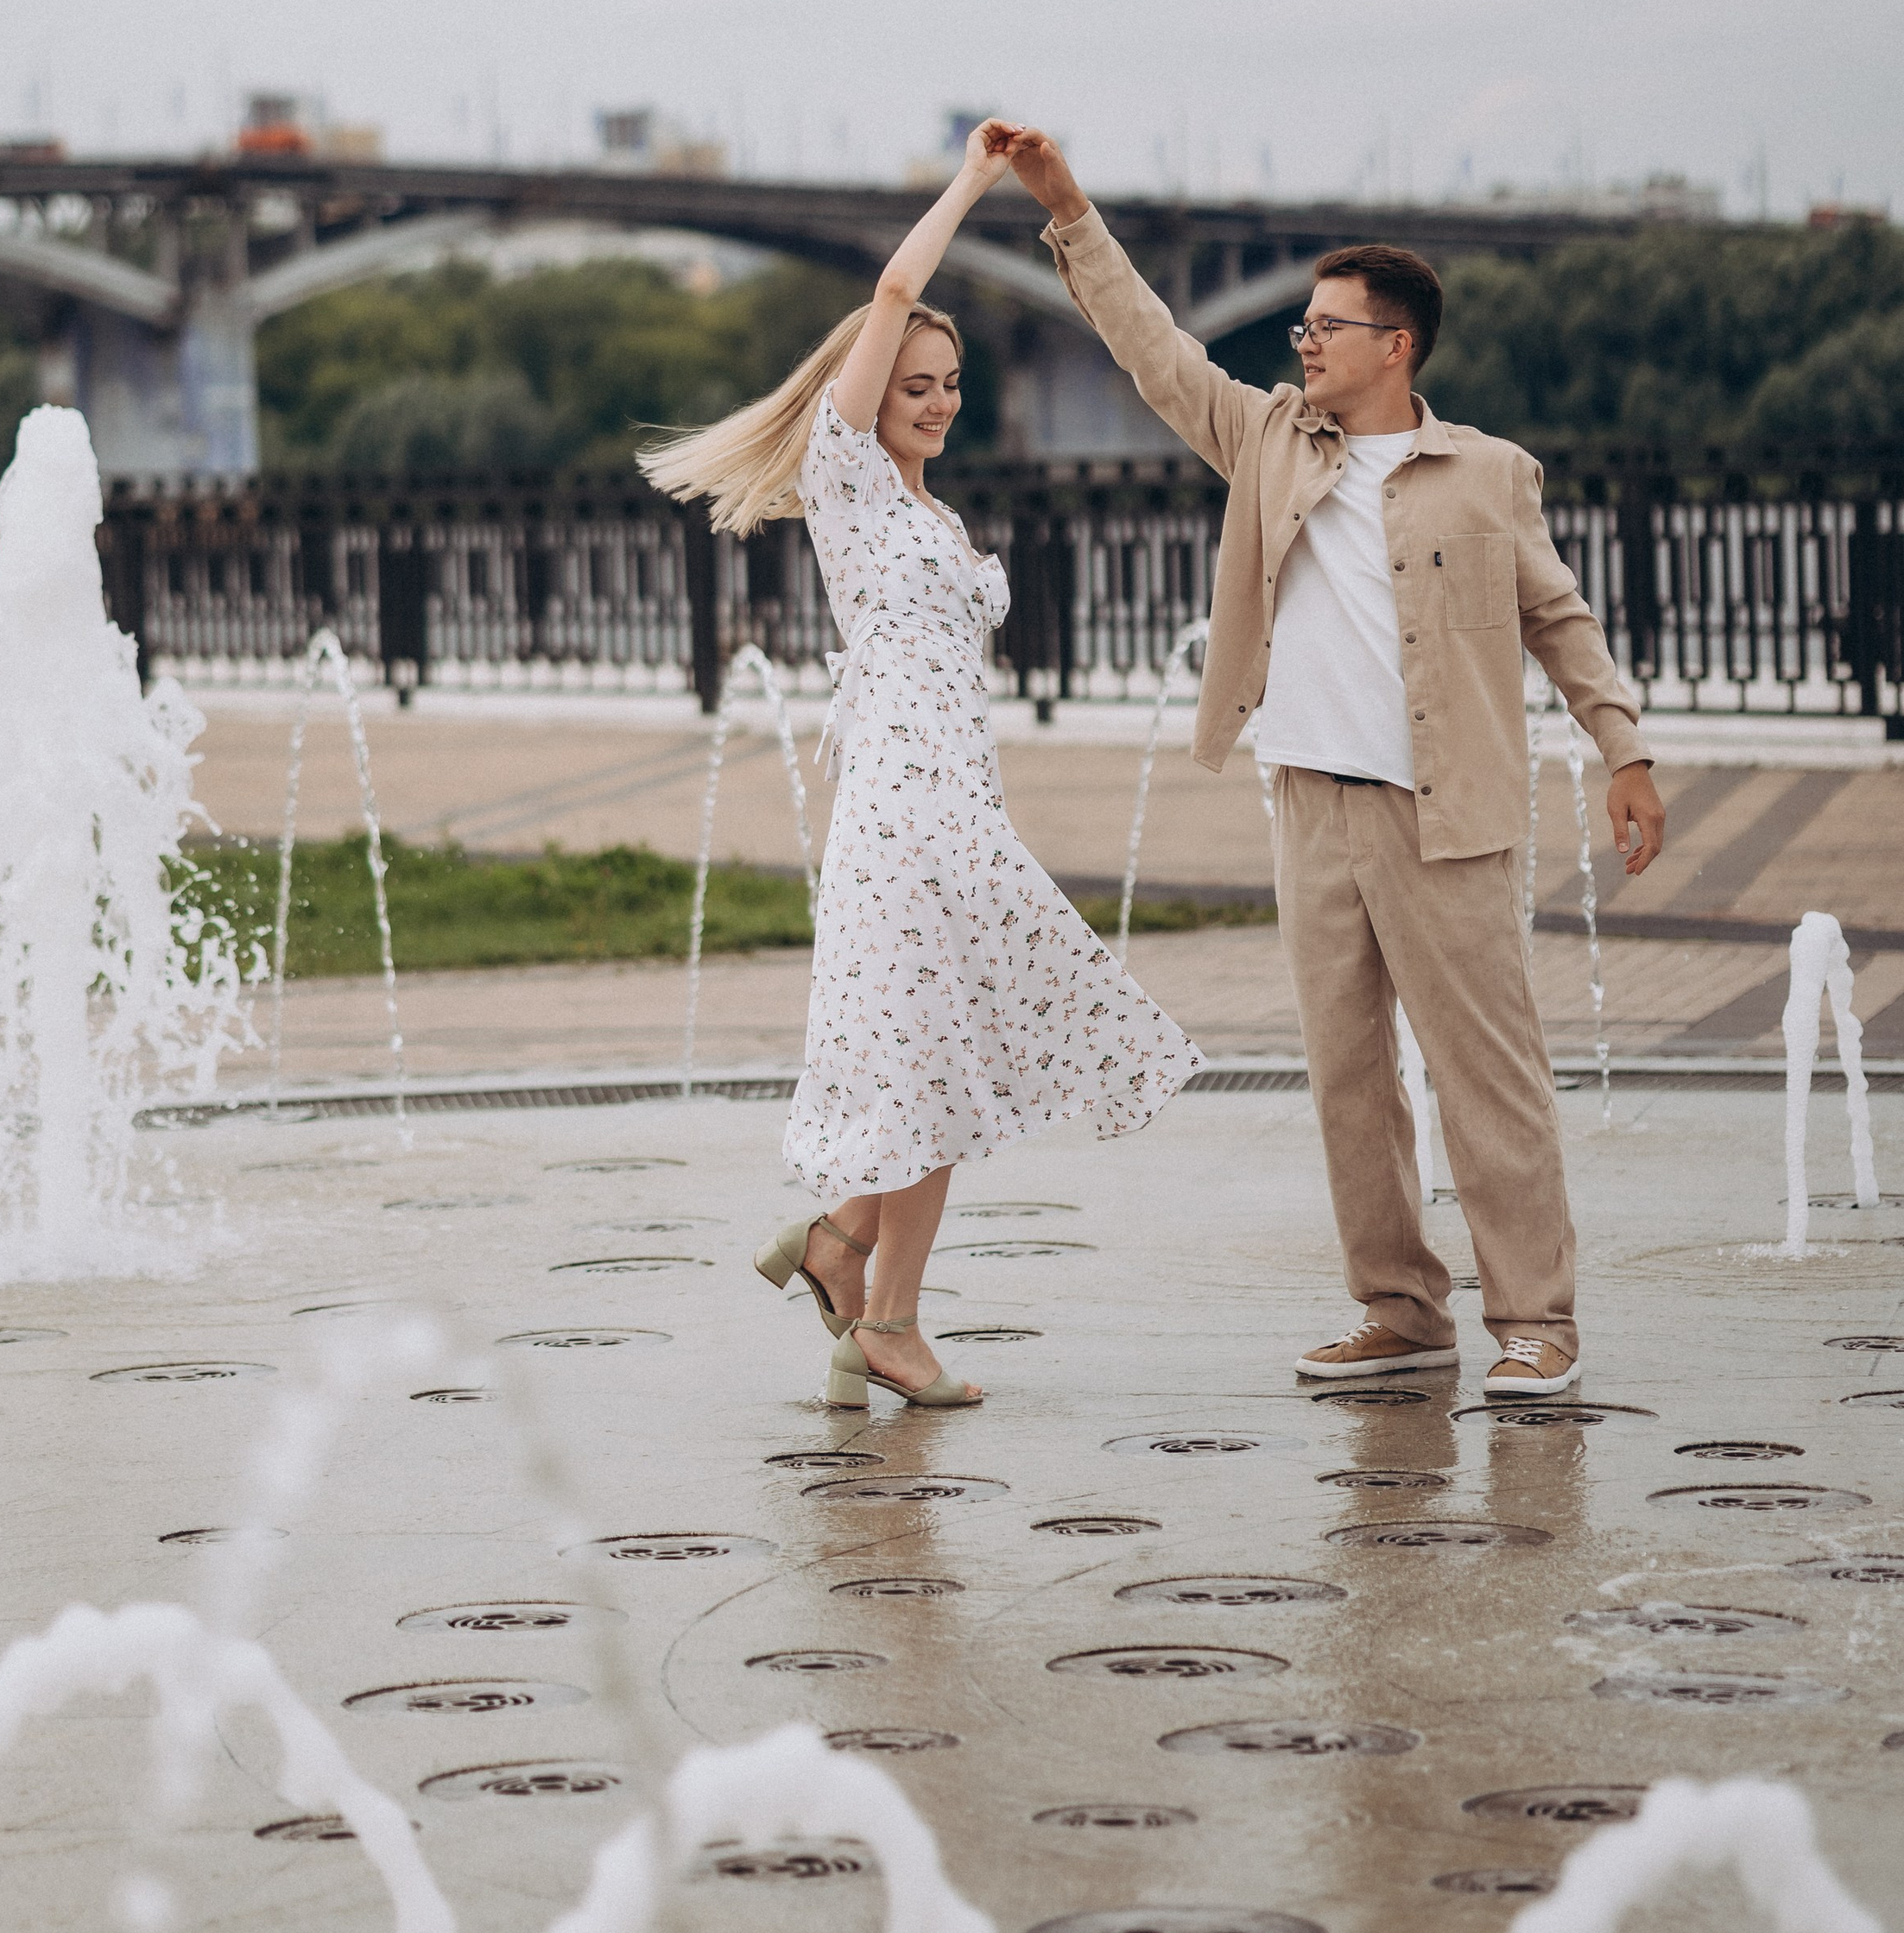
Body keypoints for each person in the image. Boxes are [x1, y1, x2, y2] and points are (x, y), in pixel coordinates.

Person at [984, 123, 1664, 1400]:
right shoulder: (1269, 442)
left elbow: (1560, 619)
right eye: (1304, 323)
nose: (1304, 341)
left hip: (1445, 815)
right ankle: (1400, 1311)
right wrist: (1068, 208)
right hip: (1309, 802)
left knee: (1487, 1079)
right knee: (1350, 1084)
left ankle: (1538, 1321)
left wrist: (1622, 749)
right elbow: (1154, 350)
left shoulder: (1487, 474)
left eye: (1327, 326)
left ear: (1394, 346)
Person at [640, 126, 1199, 1416]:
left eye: (950, 385)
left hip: (953, 806)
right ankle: (875, 1302)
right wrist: (974, 181)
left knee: (932, 1057)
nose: (937, 402)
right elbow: (895, 288)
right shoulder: (847, 483)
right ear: (868, 392)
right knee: (937, 1062)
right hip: (903, 812)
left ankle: (849, 1256)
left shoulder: (933, 512)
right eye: (914, 386)